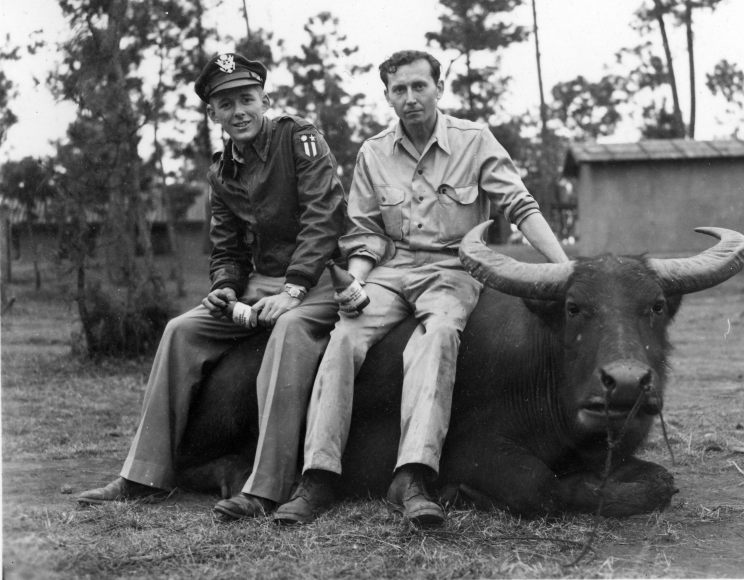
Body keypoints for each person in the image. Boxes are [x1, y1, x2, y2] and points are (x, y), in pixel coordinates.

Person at [274, 50, 568, 528]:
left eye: (419, 87)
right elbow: (366, 231)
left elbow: (519, 204)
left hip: (453, 268)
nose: (410, 98)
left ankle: (412, 477)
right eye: (399, 90)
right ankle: (318, 477)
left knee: (437, 338)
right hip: (389, 269)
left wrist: (563, 267)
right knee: (344, 338)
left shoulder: (474, 140)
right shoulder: (373, 151)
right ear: (387, 96)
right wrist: (359, 282)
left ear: (439, 89)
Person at [78, 53, 347, 521]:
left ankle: (268, 487)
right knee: (181, 330)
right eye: (226, 104)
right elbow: (226, 249)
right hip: (260, 284)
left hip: (319, 277)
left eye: (247, 99)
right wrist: (225, 287)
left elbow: (323, 220)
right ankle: (143, 475)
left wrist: (295, 290)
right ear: (212, 114)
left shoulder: (298, 138)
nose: (239, 111)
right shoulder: (222, 170)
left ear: (265, 100)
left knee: (287, 333)